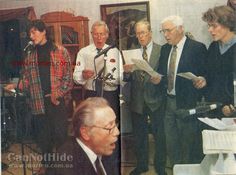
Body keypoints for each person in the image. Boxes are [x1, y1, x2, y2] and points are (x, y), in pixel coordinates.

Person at [5, 19, 73, 174]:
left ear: (43, 32)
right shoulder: (30, 54)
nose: (31, 36)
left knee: (61, 138)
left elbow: (68, 79)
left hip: (56, 103)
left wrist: (58, 94)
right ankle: (48, 168)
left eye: (34, 32)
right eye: (29, 33)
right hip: (38, 104)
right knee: (44, 139)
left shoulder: (60, 51)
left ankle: (65, 170)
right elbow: (27, 80)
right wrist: (17, 85)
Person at [156, 15, 207, 170]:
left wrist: (202, 79)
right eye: (163, 31)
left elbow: (206, 73)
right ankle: (177, 170)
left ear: (180, 29)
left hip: (187, 103)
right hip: (168, 102)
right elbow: (163, 74)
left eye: (168, 30)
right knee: (171, 142)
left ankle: (188, 171)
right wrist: (158, 79)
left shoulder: (197, 47)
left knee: (188, 142)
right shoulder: (165, 49)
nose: (165, 34)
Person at [123, 20, 166, 175]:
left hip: (156, 100)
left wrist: (160, 79)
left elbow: (167, 76)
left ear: (150, 33)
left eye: (143, 32)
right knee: (139, 137)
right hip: (137, 101)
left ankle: (160, 167)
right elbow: (127, 79)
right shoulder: (131, 52)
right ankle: (142, 165)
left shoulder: (162, 50)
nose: (140, 36)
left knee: (159, 136)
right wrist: (126, 72)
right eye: (137, 33)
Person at [53, 97, 120, 175]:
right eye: (109, 127)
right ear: (85, 132)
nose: (117, 132)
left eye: (115, 124)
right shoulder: (66, 166)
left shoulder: (106, 150)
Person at [73, 21, 122, 117]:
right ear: (91, 34)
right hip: (91, 94)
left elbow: (121, 76)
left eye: (102, 34)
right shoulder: (83, 52)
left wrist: (110, 79)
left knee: (110, 123)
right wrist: (83, 75)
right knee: (92, 123)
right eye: (95, 34)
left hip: (110, 94)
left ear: (107, 35)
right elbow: (76, 77)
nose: (99, 37)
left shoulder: (114, 51)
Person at [202, 5, 236, 117]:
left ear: (228, 24)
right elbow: (209, 74)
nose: (209, 30)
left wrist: (233, 106)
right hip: (213, 109)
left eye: (214, 26)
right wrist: (203, 80)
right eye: (209, 26)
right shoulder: (213, 46)